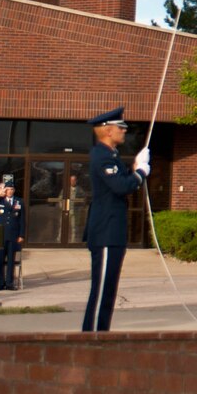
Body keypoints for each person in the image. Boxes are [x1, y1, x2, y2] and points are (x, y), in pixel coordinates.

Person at [81, 107, 148, 332]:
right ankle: (91, 336)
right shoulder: (102, 156)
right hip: (106, 231)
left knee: (108, 290)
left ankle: (101, 334)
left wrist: (135, 168)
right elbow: (120, 186)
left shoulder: (111, 156)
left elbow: (121, 181)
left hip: (113, 231)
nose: (124, 132)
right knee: (101, 291)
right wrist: (140, 174)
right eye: (121, 128)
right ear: (108, 131)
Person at [0, 178, 25, 290]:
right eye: (8, 189)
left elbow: (22, 220)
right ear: (5, 190)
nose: (10, 191)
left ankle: (9, 283)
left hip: (13, 235)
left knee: (11, 261)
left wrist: (21, 235)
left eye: (12, 189)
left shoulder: (19, 201)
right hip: (1, 235)